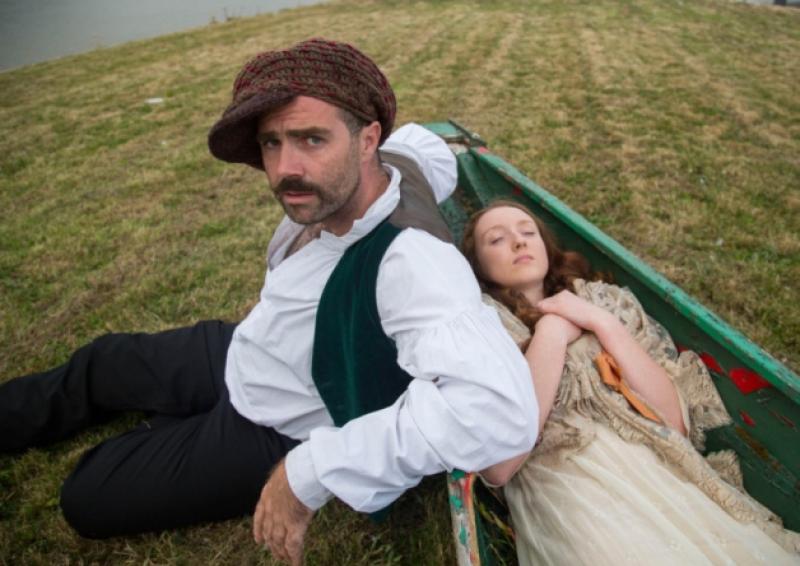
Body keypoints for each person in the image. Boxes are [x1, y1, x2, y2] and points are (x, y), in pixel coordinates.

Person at [0, 39, 539, 564]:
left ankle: (178, 429)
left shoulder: (412, 263)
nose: (285, 170)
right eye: (271, 143)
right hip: (249, 346)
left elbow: (496, 411)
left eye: (311, 139)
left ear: (367, 138)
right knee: (105, 359)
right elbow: (429, 146)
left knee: (90, 493)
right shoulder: (403, 160)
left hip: (279, 422)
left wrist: (311, 470)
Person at [461, 200, 800, 565]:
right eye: (496, 239)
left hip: (653, 467)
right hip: (568, 485)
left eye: (528, 233)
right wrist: (552, 332)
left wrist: (601, 323)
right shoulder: (483, 328)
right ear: (477, 266)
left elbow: (675, 423)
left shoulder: (604, 302)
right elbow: (501, 466)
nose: (518, 242)